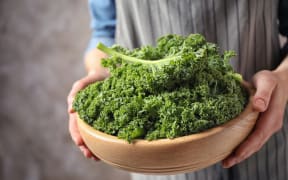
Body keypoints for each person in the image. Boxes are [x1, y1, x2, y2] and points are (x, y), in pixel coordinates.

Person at [68, 0, 288, 179]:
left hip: (263, 129)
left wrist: (283, 79)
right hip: (157, 154)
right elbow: (104, 30)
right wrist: (101, 73)